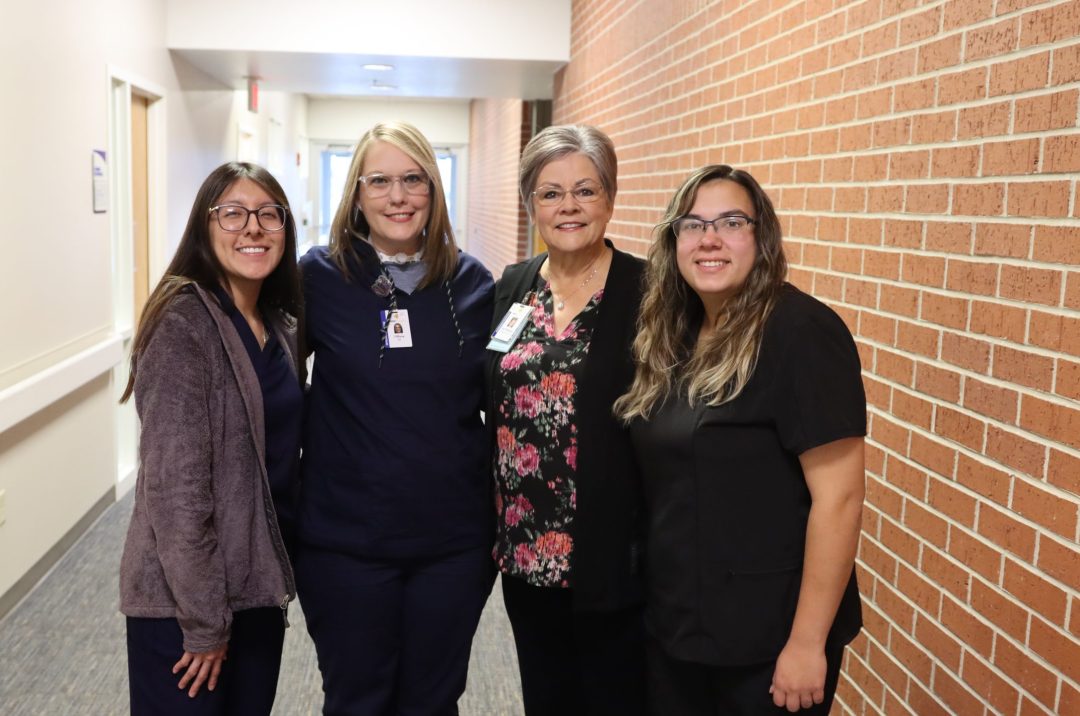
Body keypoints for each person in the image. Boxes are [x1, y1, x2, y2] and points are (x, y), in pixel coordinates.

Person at [615, 164, 866, 715]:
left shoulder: (800, 333)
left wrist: (806, 644)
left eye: (731, 222)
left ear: (762, 236)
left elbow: (840, 499)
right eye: (693, 224)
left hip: (766, 640)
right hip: (678, 627)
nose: (710, 239)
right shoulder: (674, 332)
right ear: (672, 240)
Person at [296, 121, 495, 715]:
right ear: (356, 195)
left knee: (433, 701)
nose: (398, 196)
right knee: (358, 698)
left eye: (414, 180)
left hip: (452, 544)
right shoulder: (318, 278)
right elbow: (269, 381)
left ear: (434, 191)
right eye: (379, 181)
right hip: (346, 543)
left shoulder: (473, 284)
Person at [119, 162, 304, 715]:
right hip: (184, 606)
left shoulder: (280, 325)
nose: (252, 227)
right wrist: (203, 623)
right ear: (204, 227)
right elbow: (176, 495)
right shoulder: (183, 324)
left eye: (268, 214)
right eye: (233, 213)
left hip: (256, 590)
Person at [486, 124, 647, 715]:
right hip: (524, 555)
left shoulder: (650, 291)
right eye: (551, 193)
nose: (569, 206)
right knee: (546, 700)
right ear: (531, 204)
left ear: (610, 196)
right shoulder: (513, 286)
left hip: (613, 559)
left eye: (585, 190)